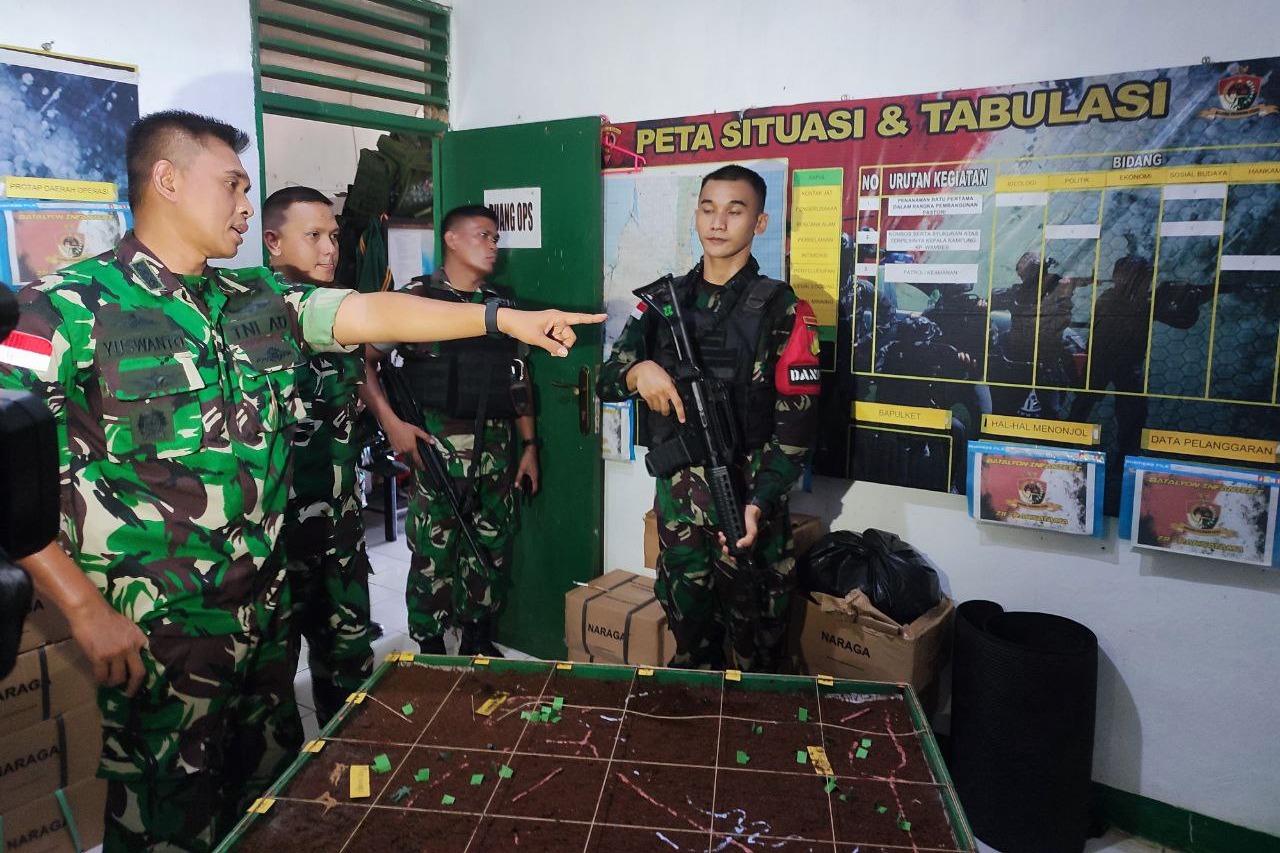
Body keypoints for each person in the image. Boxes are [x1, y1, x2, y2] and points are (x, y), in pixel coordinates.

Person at [0, 110, 601, 852]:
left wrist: (500, 320)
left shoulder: (257, 298)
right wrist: (84, 607)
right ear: (168, 180)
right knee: (164, 820)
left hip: (266, 613)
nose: (247, 205)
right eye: (233, 186)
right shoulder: (65, 308)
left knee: (271, 803)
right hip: (159, 630)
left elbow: (367, 310)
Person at [598, 165, 820, 672]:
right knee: (691, 650)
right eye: (707, 208)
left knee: (757, 660)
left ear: (760, 223)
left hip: (747, 515)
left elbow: (796, 430)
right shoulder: (660, 302)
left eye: (734, 210)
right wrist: (640, 374)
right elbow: (608, 377)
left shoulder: (782, 309)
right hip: (679, 521)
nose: (718, 222)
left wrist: (759, 504)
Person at [360, 204, 539, 658]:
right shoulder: (414, 299)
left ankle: (477, 634)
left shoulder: (505, 306)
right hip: (433, 453)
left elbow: (518, 378)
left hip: (495, 453)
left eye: (496, 238)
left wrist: (530, 445)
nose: (494, 245)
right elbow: (363, 364)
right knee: (432, 552)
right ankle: (430, 641)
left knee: (491, 545)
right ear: (452, 240)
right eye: (484, 235)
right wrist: (392, 424)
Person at [262, 186, 376, 726]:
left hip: (338, 525)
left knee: (350, 667)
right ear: (273, 242)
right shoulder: (253, 321)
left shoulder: (339, 311)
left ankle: (348, 780)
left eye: (333, 236)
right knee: (271, 690)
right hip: (275, 537)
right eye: (314, 237)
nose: (331, 248)